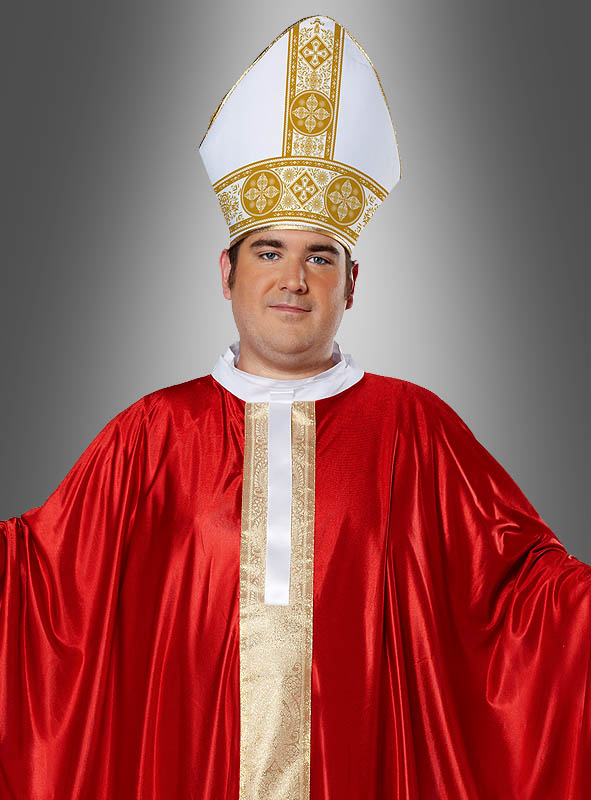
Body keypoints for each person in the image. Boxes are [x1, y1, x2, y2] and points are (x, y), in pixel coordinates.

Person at [1, 14, 589, 800]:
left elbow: (525, 594)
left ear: (351, 284)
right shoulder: (153, 433)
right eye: (269, 251)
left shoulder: (413, 428)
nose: (293, 280)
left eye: (320, 256)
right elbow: (41, 589)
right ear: (226, 271)